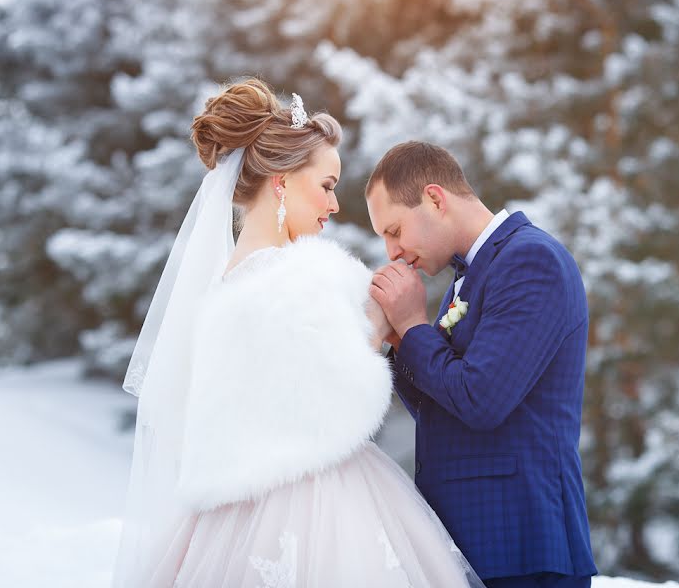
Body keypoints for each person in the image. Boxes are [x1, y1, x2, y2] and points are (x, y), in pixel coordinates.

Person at [111, 80, 483, 588]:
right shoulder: (300, 277)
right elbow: (339, 398)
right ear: (282, 181)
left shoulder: (229, 280)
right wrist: (381, 329)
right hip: (314, 501)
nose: (333, 205)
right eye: (327, 185)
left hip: (233, 509)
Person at [366, 141, 598, 588]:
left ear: (435, 199)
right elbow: (444, 410)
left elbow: (481, 398)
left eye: (394, 230)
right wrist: (399, 341)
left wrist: (415, 327)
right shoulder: (469, 274)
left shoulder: (531, 260)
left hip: (522, 546)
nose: (392, 250)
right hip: (475, 544)